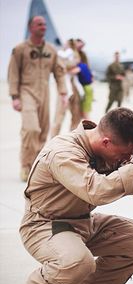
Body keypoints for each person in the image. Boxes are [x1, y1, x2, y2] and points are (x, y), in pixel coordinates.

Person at [19, 107, 133, 284]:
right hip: (44, 225)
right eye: (123, 155)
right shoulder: (63, 152)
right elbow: (96, 191)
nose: (125, 160)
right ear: (105, 142)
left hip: (83, 222)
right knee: (78, 261)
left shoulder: (110, 150)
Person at [7, 16, 67, 181]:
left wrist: (63, 92)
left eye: (45, 24)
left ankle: (36, 165)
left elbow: (59, 72)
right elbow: (13, 73)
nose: (43, 27)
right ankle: (26, 166)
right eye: (39, 24)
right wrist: (14, 97)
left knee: (42, 131)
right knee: (31, 129)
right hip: (26, 92)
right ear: (30, 27)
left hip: (44, 93)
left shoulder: (51, 50)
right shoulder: (20, 49)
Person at [51, 39, 84, 138]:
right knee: (59, 117)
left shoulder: (77, 54)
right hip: (64, 88)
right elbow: (63, 66)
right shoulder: (61, 55)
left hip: (75, 88)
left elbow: (78, 66)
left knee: (76, 116)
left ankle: (72, 140)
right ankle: (52, 141)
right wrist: (74, 65)